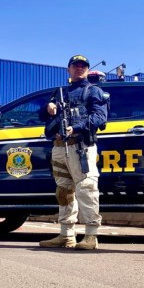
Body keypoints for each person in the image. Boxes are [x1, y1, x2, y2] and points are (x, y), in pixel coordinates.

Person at [39, 54, 108, 250]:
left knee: (86, 189)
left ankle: (91, 236)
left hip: (81, 146)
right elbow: (41, 115)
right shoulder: (60, 93)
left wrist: (76, 128)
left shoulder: (93, 91)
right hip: (59, 147)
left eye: (83, 66)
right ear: (68, 69)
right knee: (63, 191)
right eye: (75, 65)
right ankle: (66, 235)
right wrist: (49, 107)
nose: (79, 68)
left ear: (87, 69)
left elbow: (100, 118)